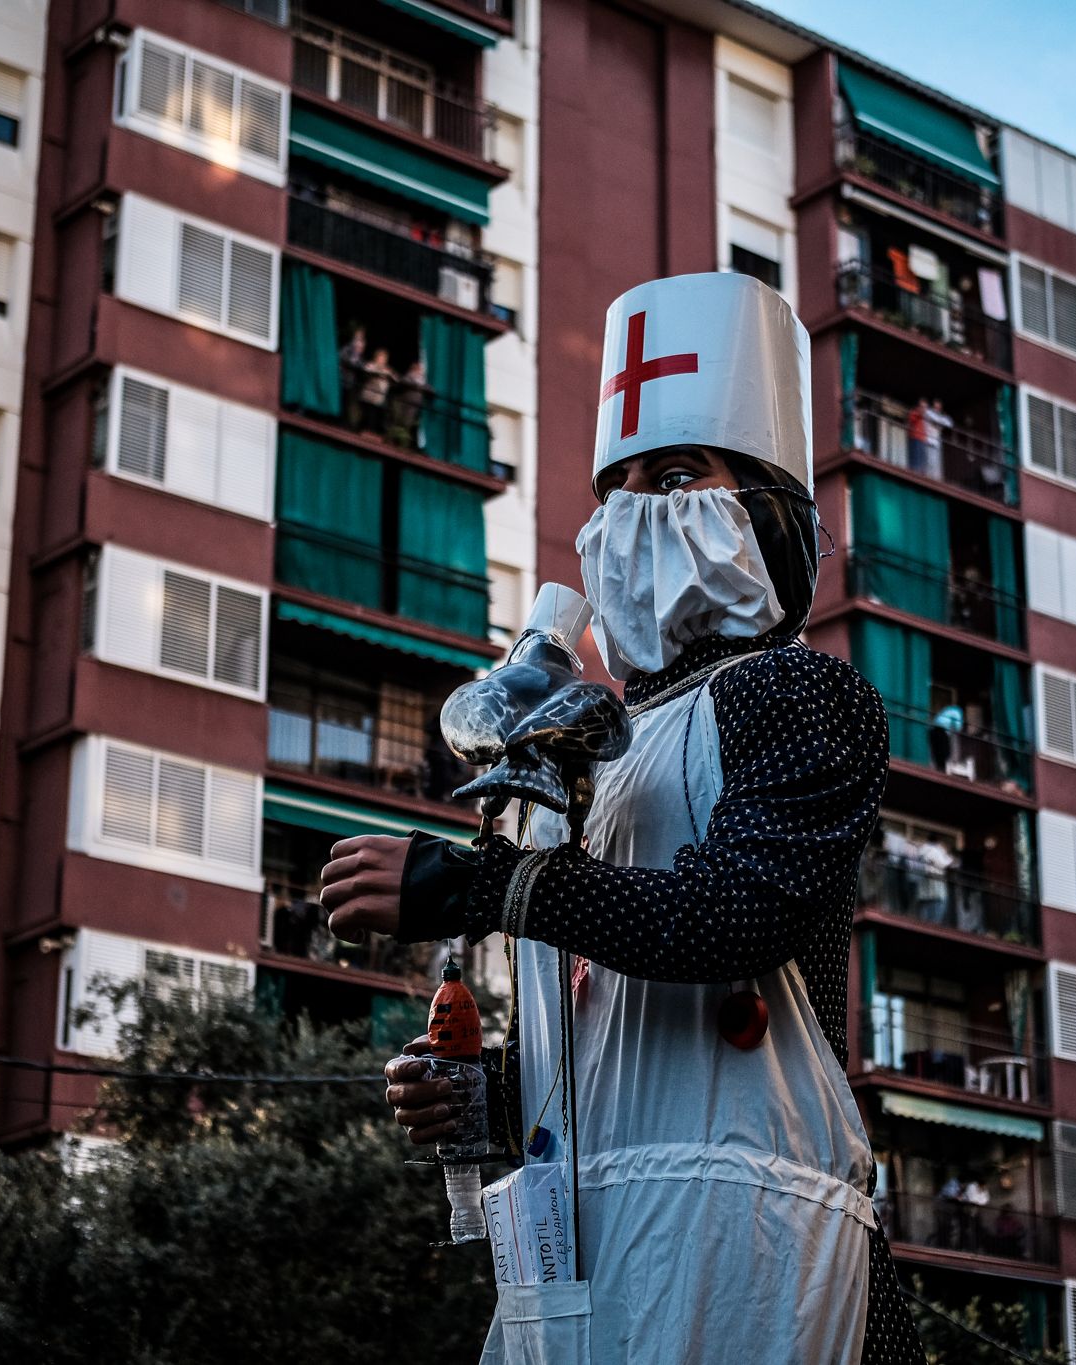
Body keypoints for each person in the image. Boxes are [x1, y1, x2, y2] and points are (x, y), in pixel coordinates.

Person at [320, 272, 923, 1364]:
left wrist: (479, 884)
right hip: (574, 1229)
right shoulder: (593, 743)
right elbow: (614, 1042)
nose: (640, 508)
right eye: (621, 485)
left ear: (763, 516)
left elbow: (736, 917)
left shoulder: (792, 691)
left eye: (679, 474)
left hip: (740, 1216)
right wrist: (486, 1095)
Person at [388, 357, 429, 450]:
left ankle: (404, 444)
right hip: (405, 403)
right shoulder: (409, 376)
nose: (419, 371)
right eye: (418, 369)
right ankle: (395, 441)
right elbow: (403, 381)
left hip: (414, 407)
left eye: (420, 369)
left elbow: (429, 389)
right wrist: (415, 385)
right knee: (400, 422)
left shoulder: (422, 381)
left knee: (408, 424)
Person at [356, 346, 394, 435]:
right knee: (367, 417)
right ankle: (359, 434)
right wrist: (378, 372)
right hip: (368, 397)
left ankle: (370, 435)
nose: (382, 360)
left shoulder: (388, 370)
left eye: (384, 358)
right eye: (380, 357)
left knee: (376, 420)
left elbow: (395, 380)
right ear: (376, 357)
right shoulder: (370, 365)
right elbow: (366, 372)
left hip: (379, 399)